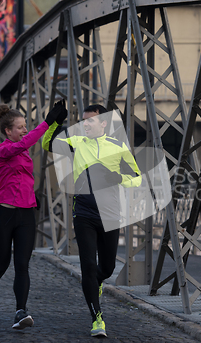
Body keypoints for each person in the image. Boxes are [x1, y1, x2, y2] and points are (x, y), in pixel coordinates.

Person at [42, 104, 142, 337]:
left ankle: (95, 282)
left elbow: (136, 178)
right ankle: (97, 319)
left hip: (110, 213)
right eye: (83, 120)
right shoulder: (76, 143)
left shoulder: (118, 146)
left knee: (106, 268)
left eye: (90, 120)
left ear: (104, 123)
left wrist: (116, 176)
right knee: (88, 266)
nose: (85, 124)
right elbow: (47, 144)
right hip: (84, 212)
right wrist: (53, 122)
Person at [0, 100, 66, 329]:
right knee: (2, 263)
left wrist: (55, 124)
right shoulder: (2, 150)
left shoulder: (24, 149)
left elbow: (22, 175)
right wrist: (46, 122)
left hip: (26, 214)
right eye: (20, 127)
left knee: (22, 264)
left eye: (25, 126)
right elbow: (25, 144)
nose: (24, 130)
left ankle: (20, 312)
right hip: (3, 214)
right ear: (7, 131)